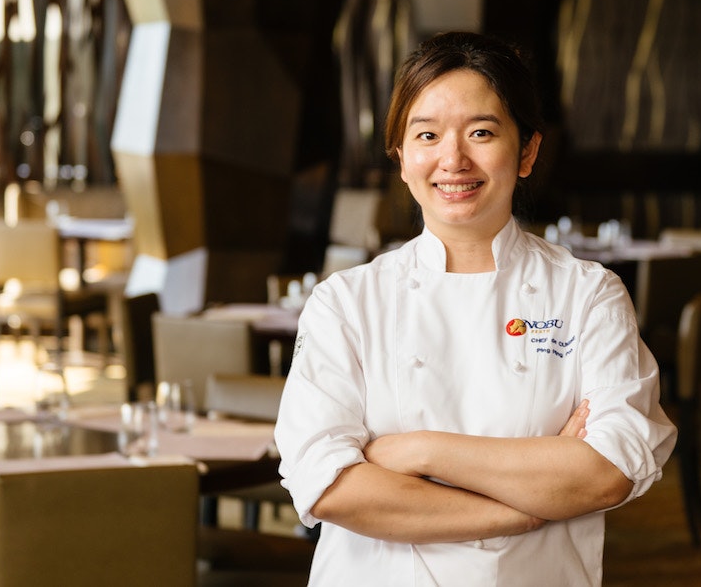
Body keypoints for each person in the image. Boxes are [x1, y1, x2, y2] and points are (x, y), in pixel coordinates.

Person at [275, 31, 677, 586]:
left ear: (529, 150)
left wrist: (419, 451)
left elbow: (609, 469)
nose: (453, 160)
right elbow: (328, 484)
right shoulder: (345, 303)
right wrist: (527, 508)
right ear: (401, 157)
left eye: (481, 133)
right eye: (427, 135)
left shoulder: (588, 295)